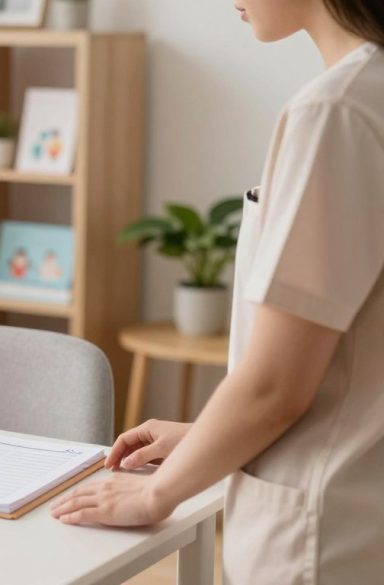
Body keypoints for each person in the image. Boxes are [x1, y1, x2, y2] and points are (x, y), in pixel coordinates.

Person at [50, 1, 384, 582]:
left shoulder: (337, 111)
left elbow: (277, 386)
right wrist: (204, 436)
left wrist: (155, 498)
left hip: (317, 537)